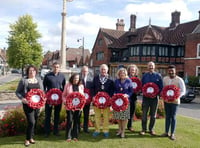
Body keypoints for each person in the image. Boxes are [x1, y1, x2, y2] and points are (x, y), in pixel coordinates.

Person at [16, 65, 43, 147]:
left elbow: (42, 92)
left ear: (36, 71)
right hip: (28, 105)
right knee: (31, 122)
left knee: (35, 121)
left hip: (37, 105)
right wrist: (22, 98)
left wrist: (42, 104)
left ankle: (31, 137)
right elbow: (17, 92)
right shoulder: (24, 80)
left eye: (33, 70)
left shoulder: (39, 79)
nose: (32, 72)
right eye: (30, 71)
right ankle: (27, 139)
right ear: (27, 72)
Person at [161, 65, 186, 140]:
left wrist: (177, 96)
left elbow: (183, 91)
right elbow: (163, 89)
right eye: (169, 70)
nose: (171, 72)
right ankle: (166, 132)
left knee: (173, 117)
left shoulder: (179, 79)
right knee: (167, 117)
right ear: (167, 71)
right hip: (166, 101)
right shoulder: (165, 79)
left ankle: (172, 134)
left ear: (175, 71)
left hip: (175, 102)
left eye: (172, 70)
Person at [43, 62, 66, 137]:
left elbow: (64, 87)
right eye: (55, 67)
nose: (56, 68)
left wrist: (62, 95)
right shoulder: (47, 76)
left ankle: (56, 131)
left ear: (59, 68)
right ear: (52, 67)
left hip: (58, 99)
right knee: (48, 115)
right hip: (49, 99)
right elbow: (44, 86)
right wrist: (46, 94)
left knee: (57, 115)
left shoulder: (62, 76)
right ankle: (47, 132)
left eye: (57, 67)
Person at [140, 61, 163, 136]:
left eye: (152, 66)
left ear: (154, 67)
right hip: (146, 98)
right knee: (144, 115)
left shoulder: (158, 76)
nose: (151, 67)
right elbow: (142, 86)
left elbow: (161, 87)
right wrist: (144, 92)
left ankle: (151, 129)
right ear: (147, 67)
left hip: (154, 98)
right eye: (149, 66)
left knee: (153, 115)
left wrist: (157, 94)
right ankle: (143, 129)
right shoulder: (144, 76)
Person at [92, 64, 114, 138]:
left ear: (107, 70)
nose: (103, 71)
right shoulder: (95, 78)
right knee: (97, 116)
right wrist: (93, 96)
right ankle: (97, 130)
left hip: (107, 102)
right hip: (97, 101)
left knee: (106, 116)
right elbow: (92, 88)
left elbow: (112, 90)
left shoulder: (111, 79)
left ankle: (105, 130)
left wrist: (110, 97)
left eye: (104, 69)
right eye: (102, 69)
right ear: (100, 70)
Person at [62, 73, 84, 142]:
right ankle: (68, 136)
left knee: (76, 121)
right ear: (72, 78)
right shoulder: (67, 85)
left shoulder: (81, 86)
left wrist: (82, 105)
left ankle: (75, 136)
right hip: (69, 107)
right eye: (75, 78)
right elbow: (63, 95)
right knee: (69, 121)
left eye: (77, 78)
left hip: (78, 107)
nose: (76, 80)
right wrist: (65, 102)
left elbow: (82, 97)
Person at [113, 68, 133, 138]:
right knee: (118, 117)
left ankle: (123, 131)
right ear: (119, 74)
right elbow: (114, 90)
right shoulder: (116, 81)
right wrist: (115, 94)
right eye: (121, 73)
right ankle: (119, 130)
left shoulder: (129, 81)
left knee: (124, 117)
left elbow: (131, 91)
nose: (122, 74)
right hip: (117, 102)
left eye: (123, 73)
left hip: (125, 102)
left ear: (125, 74)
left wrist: (127, 95)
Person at [79, 66, 93, 133]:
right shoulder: (78, 79)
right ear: (82, 71)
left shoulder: (91, 79)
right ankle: (78, 128)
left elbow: (92, 90)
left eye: (86, 71)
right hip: (79, 100)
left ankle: (85, 128)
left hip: (88, 100)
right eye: (84, 71)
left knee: (86, 114)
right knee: (78, 114)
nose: (85, 72)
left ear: (88, 72)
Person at [127, 64, 139, 132]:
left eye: (133, 70)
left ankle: (130, 126)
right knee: (125, 112)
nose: (132, 71)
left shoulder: (137, 78)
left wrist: (137, 91)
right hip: (126, 97)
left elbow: (139, 88)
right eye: (131, 70)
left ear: (135, 71)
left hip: (134, 97)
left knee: (131, 112)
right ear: (129, 70)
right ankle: (121, 126)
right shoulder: (126, 77)